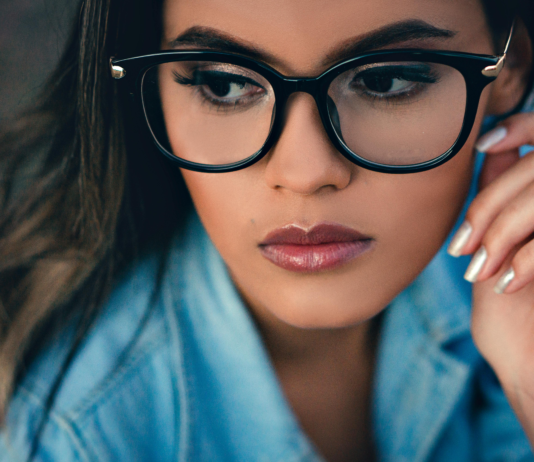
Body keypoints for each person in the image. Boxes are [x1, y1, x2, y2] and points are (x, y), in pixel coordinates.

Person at [1, 0, 534, 460]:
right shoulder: (77, 439)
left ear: (511, 68)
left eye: (383, 80)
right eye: (225, 84)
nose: (304, 173)